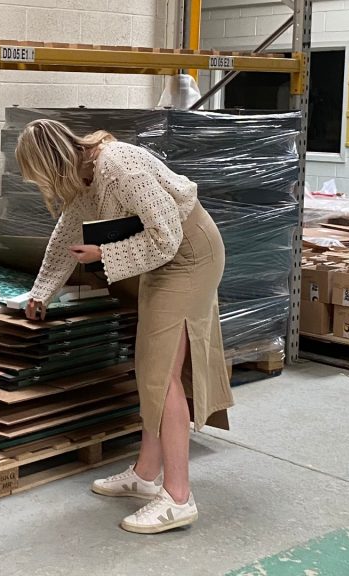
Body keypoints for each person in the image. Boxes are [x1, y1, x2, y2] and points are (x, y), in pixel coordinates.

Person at [15, 119, 234, 534]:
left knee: (161, 373)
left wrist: (103, 252)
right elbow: (66, 234)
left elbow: (167, 235)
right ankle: (146, 473)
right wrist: (41, 291)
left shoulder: (119, 166)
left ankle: (178, 497)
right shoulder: (84, 174)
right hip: (163, 258)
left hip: (188, 255)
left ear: (54, 163)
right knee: (150, 367)